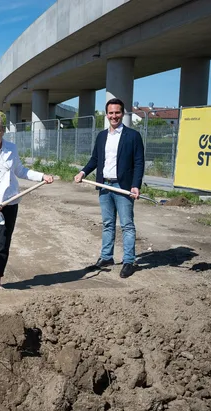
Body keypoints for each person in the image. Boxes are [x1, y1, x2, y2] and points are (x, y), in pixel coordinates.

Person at [0, 114, 54, 289]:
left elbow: (21, 170)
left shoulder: (11, 149)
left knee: (3, 243)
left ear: (3, 131)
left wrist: (41, 176)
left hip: (9, 202)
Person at [74, 97, 145, 278]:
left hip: (123, 187)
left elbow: (139, 163)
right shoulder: (102, 136)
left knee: (127, 225)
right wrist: (83, 172)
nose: (114, 116)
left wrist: (135, 185)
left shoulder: (133, 136)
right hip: (104, 185)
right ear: (106, 115)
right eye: (111, 113)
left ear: (122, 114)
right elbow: (95, 160)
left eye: (117, 112)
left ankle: (129, 261)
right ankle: (106, 257)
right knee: (107, 224)